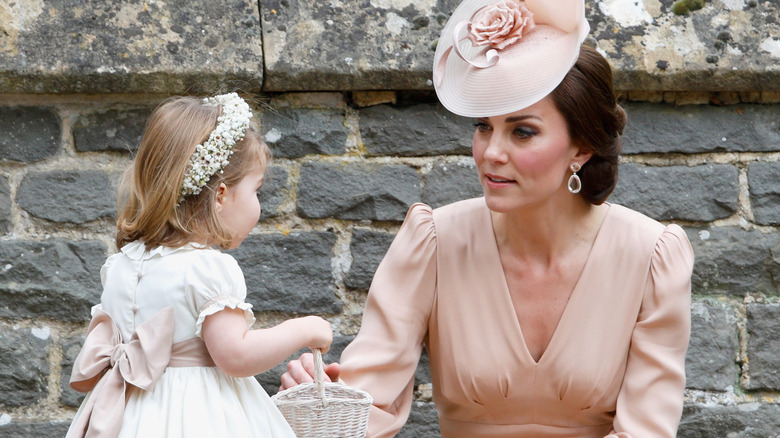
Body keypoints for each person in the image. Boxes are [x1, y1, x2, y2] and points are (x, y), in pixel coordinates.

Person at [280, 0, 694, 437]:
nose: (491, 153)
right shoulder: (434, 242)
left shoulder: (652, 257)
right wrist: (322, 402)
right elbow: (369, 401)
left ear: (581, 148)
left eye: (522, 131)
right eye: (483, 126)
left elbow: (646, 429)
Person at [66, 93, 332, 438]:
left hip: (126, 417)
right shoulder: (207, 269)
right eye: (257, 191)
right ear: (220, 195)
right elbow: (235, 355)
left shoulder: (119, 265)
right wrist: (304, 328)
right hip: (196, 416)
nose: (258, 205)